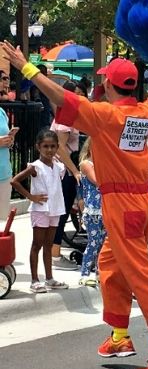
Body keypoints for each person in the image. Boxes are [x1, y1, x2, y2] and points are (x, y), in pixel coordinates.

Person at [1, 42, 148, 369]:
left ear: (111, 85)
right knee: (109, 263)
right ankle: (119, 336)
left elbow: (62, 98)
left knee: (141, 277)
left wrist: (27, 68)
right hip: (139, 203)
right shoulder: (145, 113)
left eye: (104, 80)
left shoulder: (106, 116)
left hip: (122, 205)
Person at [10, 129, 68, 293]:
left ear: (57, 147)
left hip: (55, 209)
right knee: (37, 244)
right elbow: (15, 181)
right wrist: (31, 197)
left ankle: (49, 278)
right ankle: (35, 279)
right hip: (40, 210)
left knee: (49, 245)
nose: (49, 150)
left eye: (52, 146)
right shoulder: (35, 167)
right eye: (45, 146)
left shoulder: (58, 167)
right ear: (38, 147)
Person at [51, 80, 84, 264]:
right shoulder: (66, 117)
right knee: (61, 212)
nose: (80, 97)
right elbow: (60, 148)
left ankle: (54, 252)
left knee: (60, 212)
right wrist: (75, 171)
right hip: (64, 171)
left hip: (64, 170)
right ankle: (55, 254)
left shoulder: (68, 114)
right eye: (77, 93)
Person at [77, 137, 106, 287]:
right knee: (93, 243)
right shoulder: (86, 164)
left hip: (105, 210)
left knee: (104, 244)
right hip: (93, 212)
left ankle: (100, 273)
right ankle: (85, 273)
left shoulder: (104, 164)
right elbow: (98, 180)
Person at [0, 70, 20, 223]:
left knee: (1, 219)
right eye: (3, 79)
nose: (6, 83)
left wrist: (9, 140)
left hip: (4, 173)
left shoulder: (2, 112)